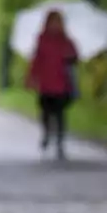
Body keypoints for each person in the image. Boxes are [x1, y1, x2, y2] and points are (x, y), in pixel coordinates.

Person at [26, 10, 79, 160]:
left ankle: (60, 142)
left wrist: (71, 57)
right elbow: (36, 60)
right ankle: (47, 133)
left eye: (57, 22)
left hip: (62, 84)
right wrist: (32, 77)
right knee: (45, 111)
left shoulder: (67, 41)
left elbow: (75, 58)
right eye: (52, 22)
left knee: (60, 113)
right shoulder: (42, 40)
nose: (54, 25)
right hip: (46, 83)